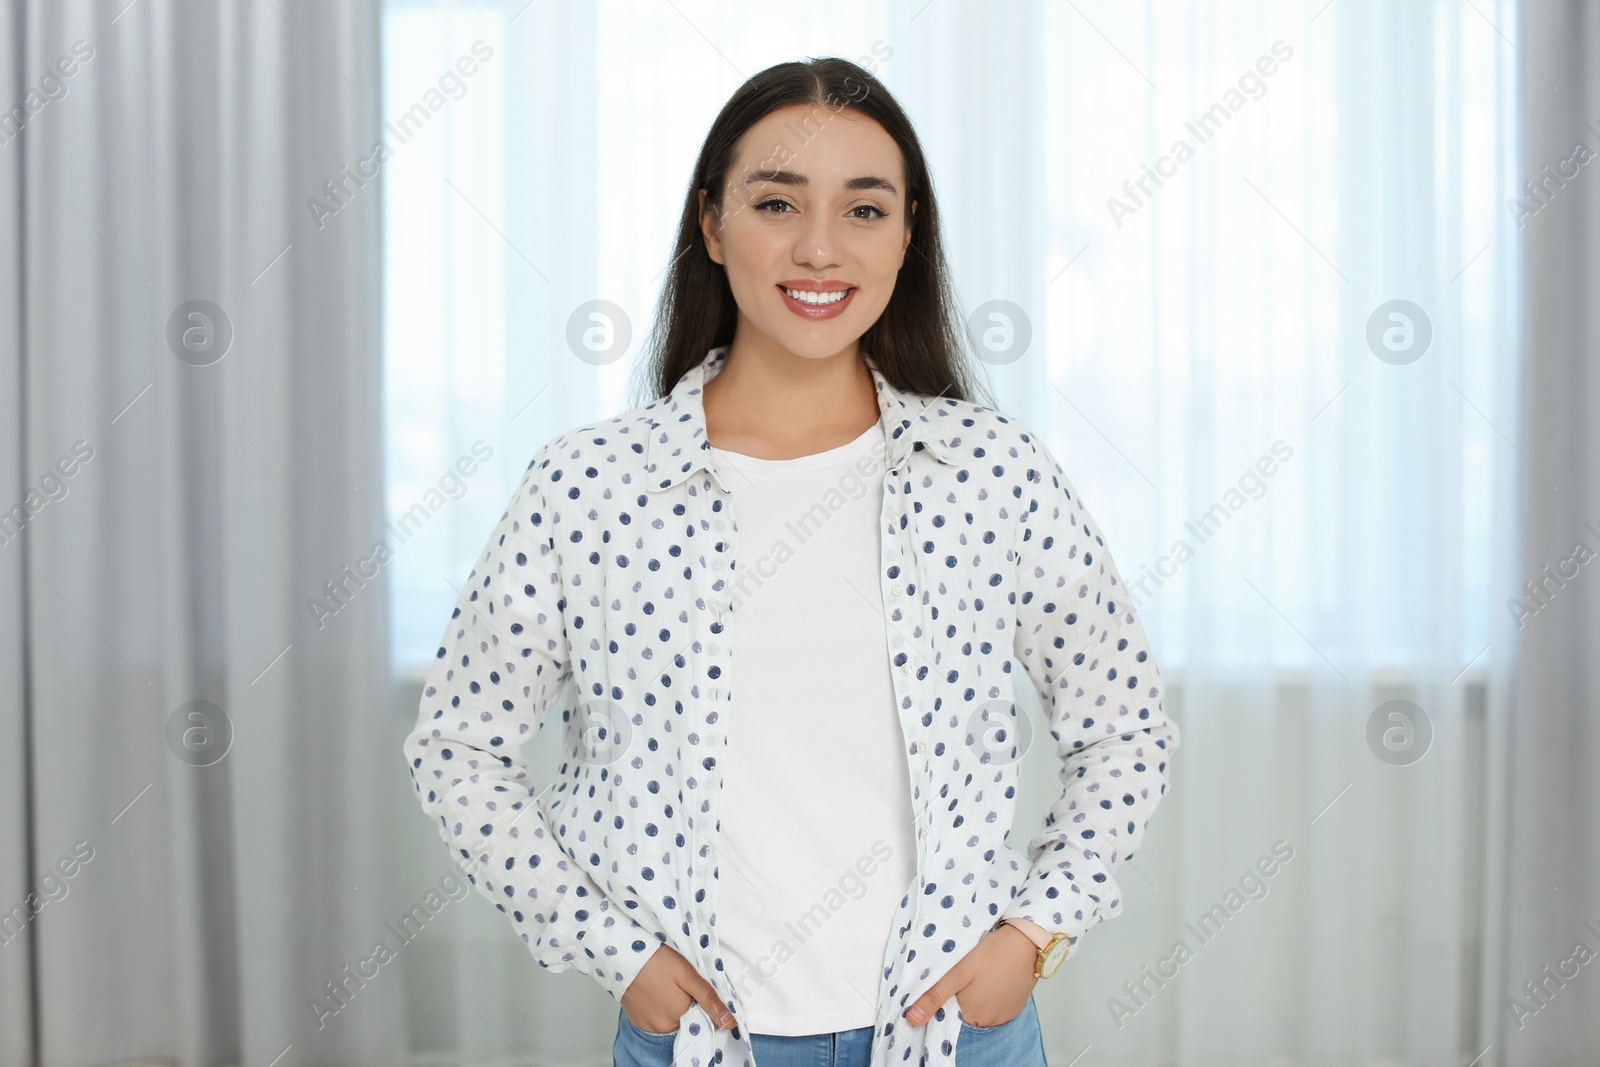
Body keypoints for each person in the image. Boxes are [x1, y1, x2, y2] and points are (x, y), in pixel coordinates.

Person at [402, 55, 1180, 1067]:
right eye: (777, 202)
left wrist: (1033, 938)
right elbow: (460, 747)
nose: (820, 248)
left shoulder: (992, 472)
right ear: (712, 225)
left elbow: (1124, 727)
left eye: (864, 210)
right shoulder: (588, 487)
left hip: (956, 1034)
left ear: (908, 235)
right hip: (700, 1038)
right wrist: (616, 951)